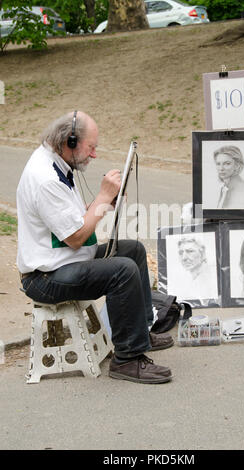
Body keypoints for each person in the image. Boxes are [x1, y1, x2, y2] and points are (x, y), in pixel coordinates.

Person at [17, 110, 174, 384]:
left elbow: (74, 220)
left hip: (67, 260)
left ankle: (141, 331)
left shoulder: (58, 162)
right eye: (92, 147)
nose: (94, 155)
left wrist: (105, 202)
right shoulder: (45, 178)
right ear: (71, 141)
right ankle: (128, 359)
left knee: (133, 251)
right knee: (122, 270)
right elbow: (77, 236)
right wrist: (103, 196)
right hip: (45, 276)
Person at [171, 236, 218, 300]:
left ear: (202, 253)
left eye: (190, 251)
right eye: (181, 253)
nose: (184, 258)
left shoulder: (213, 278)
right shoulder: (182, 281)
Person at [213, 145, 244, 209]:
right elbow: (198, 206)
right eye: (218, 164)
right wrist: (198, 216)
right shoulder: (224, 188)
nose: (221, 168)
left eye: (227, 163)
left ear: (237, 165)